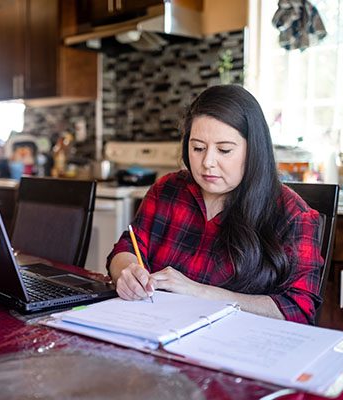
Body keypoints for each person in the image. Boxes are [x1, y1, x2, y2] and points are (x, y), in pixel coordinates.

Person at [107, 85, 323, 325]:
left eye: (224, 150)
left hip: (238, 349)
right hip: (156, 333)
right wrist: (126, 271)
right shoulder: (167, 191)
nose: (207, 162)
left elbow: (299, 310)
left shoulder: (293, 215)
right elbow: (127, 247)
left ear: (254, 150)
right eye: (198, 148)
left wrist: (200, 292)